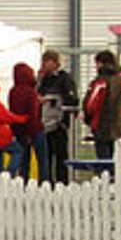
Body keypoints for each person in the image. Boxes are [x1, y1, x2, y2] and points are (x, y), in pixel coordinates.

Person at [82, 49, 121, 164]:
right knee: (116, 161)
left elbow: (90, 105)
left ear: (101, 64)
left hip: (101, 126)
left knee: (103, 161)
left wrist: (88, 118)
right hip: (118, 126)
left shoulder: (100, 82)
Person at [34, 49, 78, 185]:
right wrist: (39, 80)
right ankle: (48, 181)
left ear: (53, 62)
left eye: (45, 62)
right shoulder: (44, 79)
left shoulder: (64, 78)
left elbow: (71, 99)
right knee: (47, 154)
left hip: (59, 123)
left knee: (60, 154)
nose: (43, 65)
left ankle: (62, 180)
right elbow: (35, 93)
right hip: (45, 122)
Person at [5, 60, 41, 179]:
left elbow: (12, 112)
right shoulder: (31, 93)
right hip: (34, 130)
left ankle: (22, 182)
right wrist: (31, 132)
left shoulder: (12, 92)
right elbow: (33, 113)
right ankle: (44, 182)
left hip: (19, 130)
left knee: (24, 160)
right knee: (42, 160)